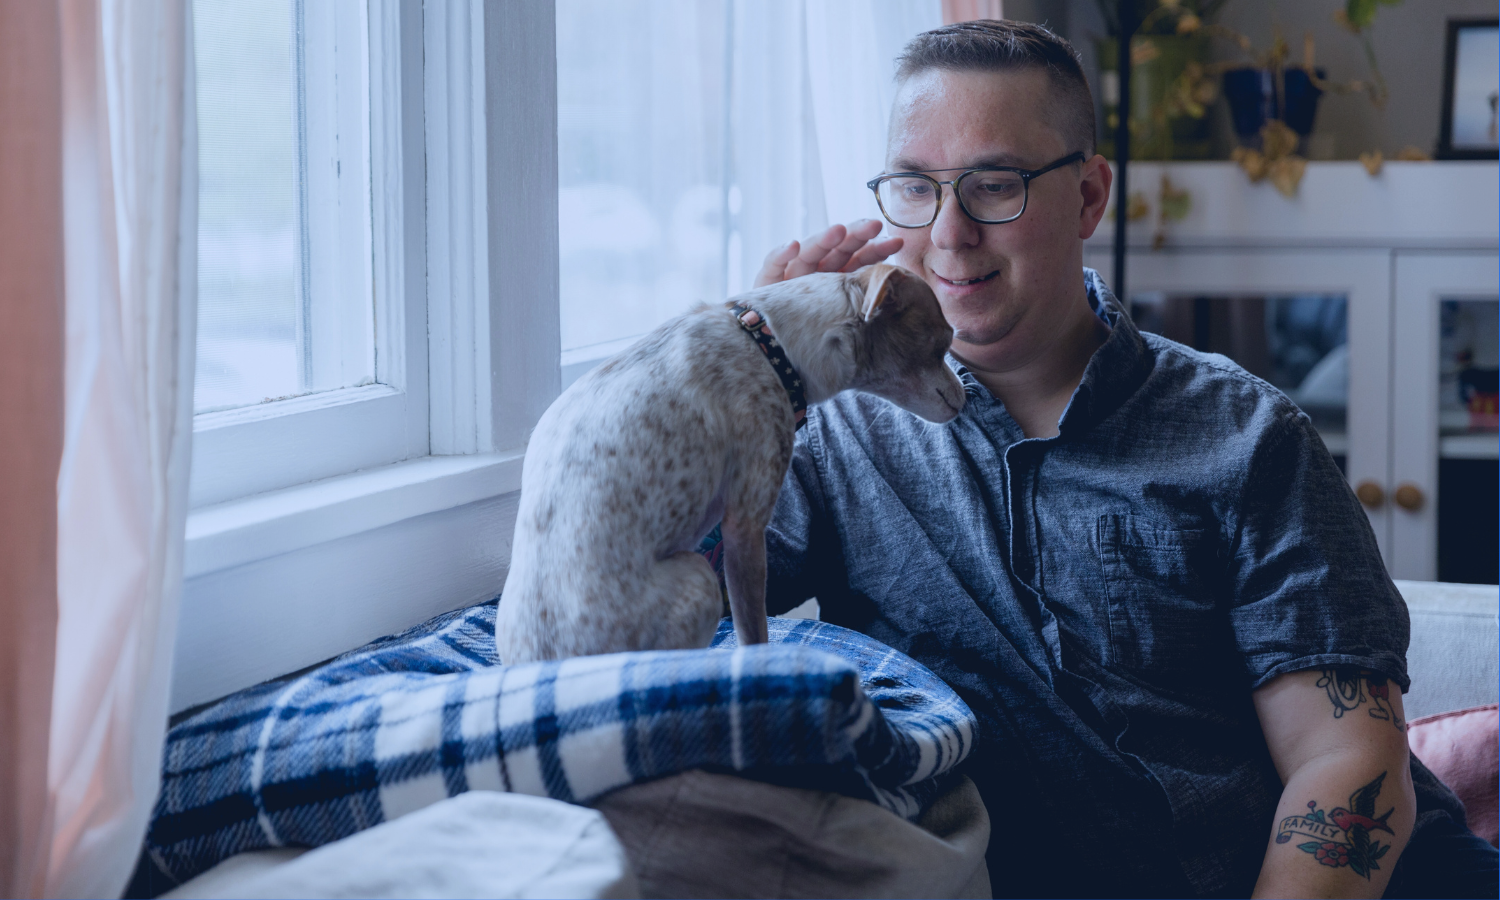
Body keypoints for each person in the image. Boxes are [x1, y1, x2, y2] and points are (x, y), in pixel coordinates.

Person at [750, 20, 1498, 899]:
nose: (950, 235)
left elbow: (1345, 763)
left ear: (1090, 196)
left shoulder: (1248, 436)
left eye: (996, 186)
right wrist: (752, 369)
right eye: (915, 188)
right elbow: (640, 604)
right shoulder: (829, 434)